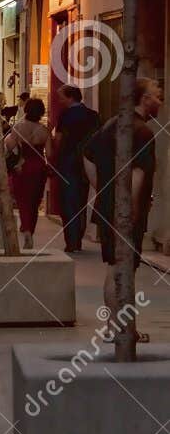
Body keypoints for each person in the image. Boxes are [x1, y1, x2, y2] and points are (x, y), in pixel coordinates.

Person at [84, 80, 162, 328]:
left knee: (115, 266)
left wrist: (103, 190)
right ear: (144, 99)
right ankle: (122, 330)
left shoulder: (111, 124)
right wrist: (131, 212)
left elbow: (87, 155)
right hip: (125, 213)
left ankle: (116, 328)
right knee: (122, 269)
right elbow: (138, 176)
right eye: (157, 97)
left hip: (109, 207)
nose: (161, 102)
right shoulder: (142, 132)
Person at [50, 85, 99, 253]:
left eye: (61, 97)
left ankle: (72, 242)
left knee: (68, 202)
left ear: (71, 97)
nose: (59, 100)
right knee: (81, 201)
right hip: (87, 163)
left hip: (68, 162)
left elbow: (58, 140)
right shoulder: (93, 115)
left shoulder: (65, 115)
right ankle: (78, 237)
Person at [4, 97, 50, 250]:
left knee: (23, 201)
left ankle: (27, 230)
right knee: (35, 202)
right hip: (39, 167)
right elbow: (49, 153)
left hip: (22, 166)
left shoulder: (18, 127)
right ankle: (31, 228)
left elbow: (9, 146)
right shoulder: (44, 130)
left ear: (26, 110)